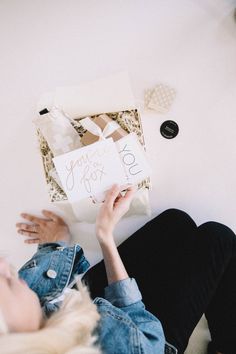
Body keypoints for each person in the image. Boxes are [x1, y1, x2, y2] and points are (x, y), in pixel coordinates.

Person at [0, 185, 235, 354]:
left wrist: (57, 243)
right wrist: (105, 237)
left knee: (177, 223)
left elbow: (41, 283)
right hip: (150, 340)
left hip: (94, 307)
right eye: (7, 282)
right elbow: (140, 326)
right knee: (219, 237)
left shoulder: (22, 314)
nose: (5, 267)